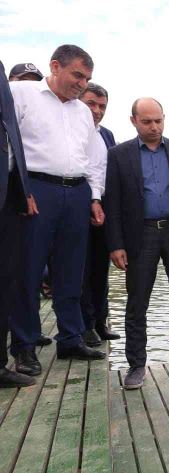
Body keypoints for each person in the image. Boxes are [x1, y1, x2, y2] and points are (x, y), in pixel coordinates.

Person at [8, 44, 107, 367]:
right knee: (28, 269)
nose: (82, 84)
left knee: (71, 270)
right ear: (55, 66)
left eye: (87, 78)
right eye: (77, 75)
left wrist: (94, 196)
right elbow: (7, 141)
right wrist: (18, 188)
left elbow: (93, 159)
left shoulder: (82, 111)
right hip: (36, 188)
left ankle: (70, 337)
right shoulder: (21, 93)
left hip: (76, 192)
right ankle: (23, 345)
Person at [104, 97, 169, 390]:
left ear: (164, 118)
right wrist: (116, 244)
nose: (154, 127)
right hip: (141, 235)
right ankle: (136, 365)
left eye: (158, 121)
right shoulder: (119, 155)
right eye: (147, 121)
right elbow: (113, 203)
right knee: (137, 304)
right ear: (133, 120)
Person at [7, 62, 52, 349]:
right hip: (13, 193)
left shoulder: (36, 119)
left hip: (23, 192)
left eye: (35, 81)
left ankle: (29, 333)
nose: (29, 86)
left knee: (29, 271)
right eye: (23, 80)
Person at [0, 59, 39, 386]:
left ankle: (2, 363)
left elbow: (12, 140)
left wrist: (23, 191)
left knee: (7, 279)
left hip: (10, 198)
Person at [79, 82, 120, 347]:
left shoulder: (107, 134)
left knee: (100, 268)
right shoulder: (71, 132)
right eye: (91, 103)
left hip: (104, 206)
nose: (97, 110)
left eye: (102, 105)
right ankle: (83, 326)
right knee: (80, 269)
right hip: (78, 202)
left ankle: (99, 321)